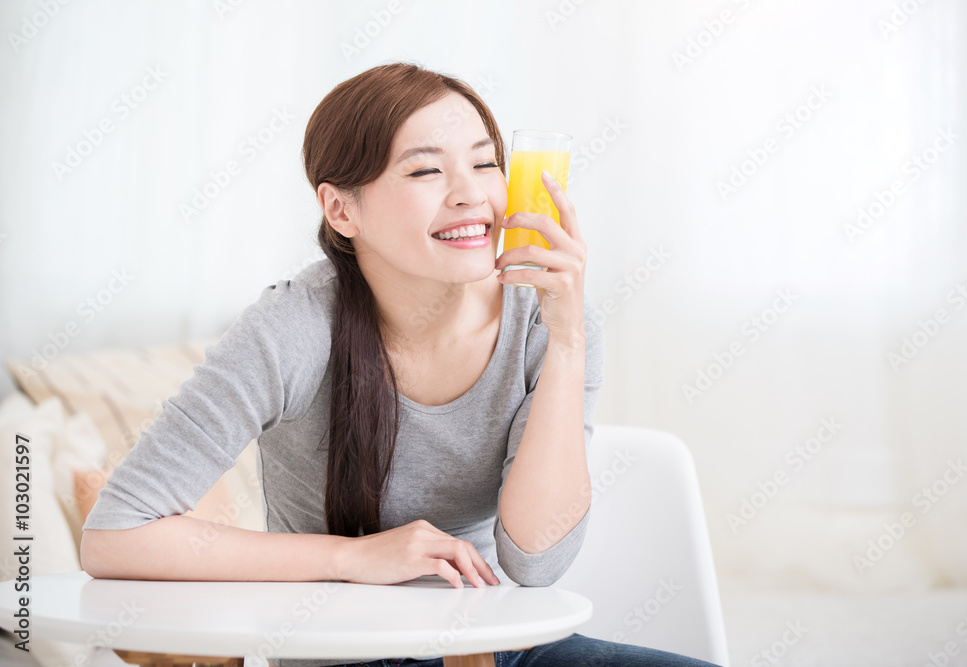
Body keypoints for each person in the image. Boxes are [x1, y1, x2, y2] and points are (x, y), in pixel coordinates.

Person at [79, 62, 720, 667]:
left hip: (492, 646)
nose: (471, 195)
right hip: (342, 652)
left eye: (486, 163)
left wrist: (569, 342)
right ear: (341, 209)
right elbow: (114, 535)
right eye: (424, 172)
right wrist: (354, 558)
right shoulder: (292, 327)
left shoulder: (548, 321)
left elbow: (537, 562)